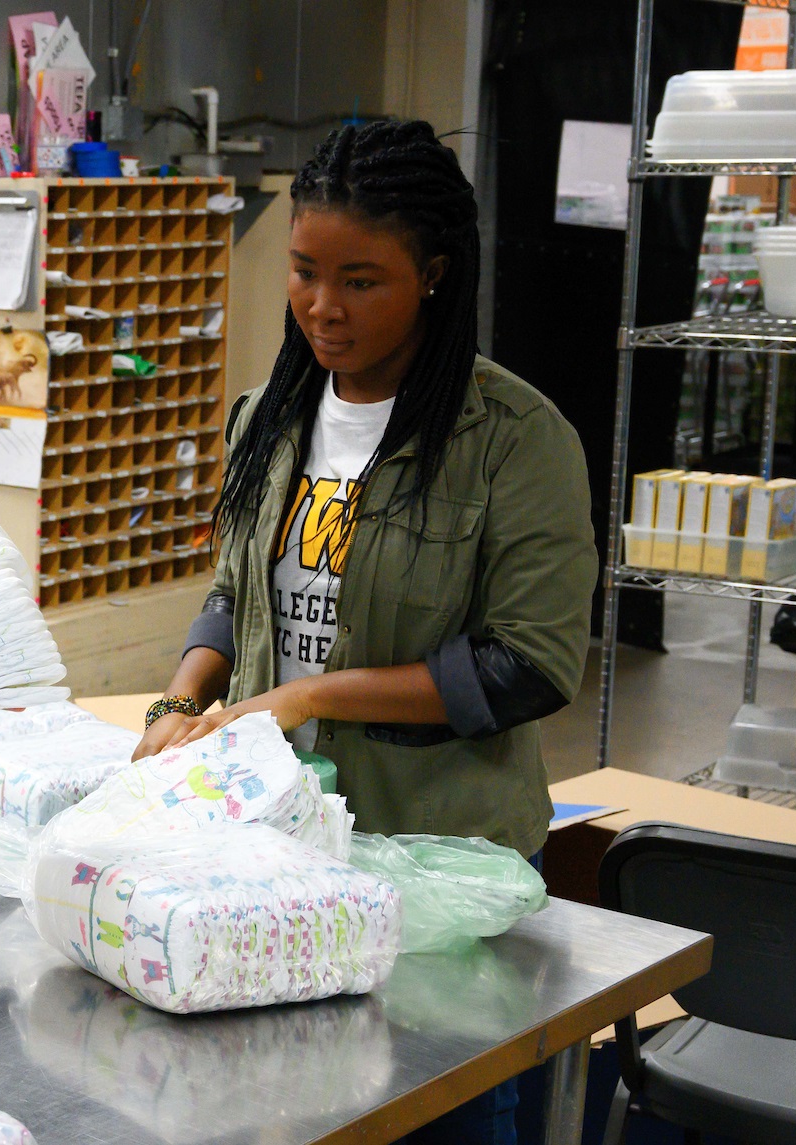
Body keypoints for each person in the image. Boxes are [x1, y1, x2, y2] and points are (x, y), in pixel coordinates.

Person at [133, 119, 594, 1144]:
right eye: (303, 271)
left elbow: (528, 664)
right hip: (273, 864)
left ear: (432, 273)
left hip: (435, 880)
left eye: (361, 280)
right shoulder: (267, 414)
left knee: (436, 1115)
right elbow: (233, 589)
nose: (323, 307)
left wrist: (305, 696)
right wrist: (182, 699)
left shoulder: (514, 440)